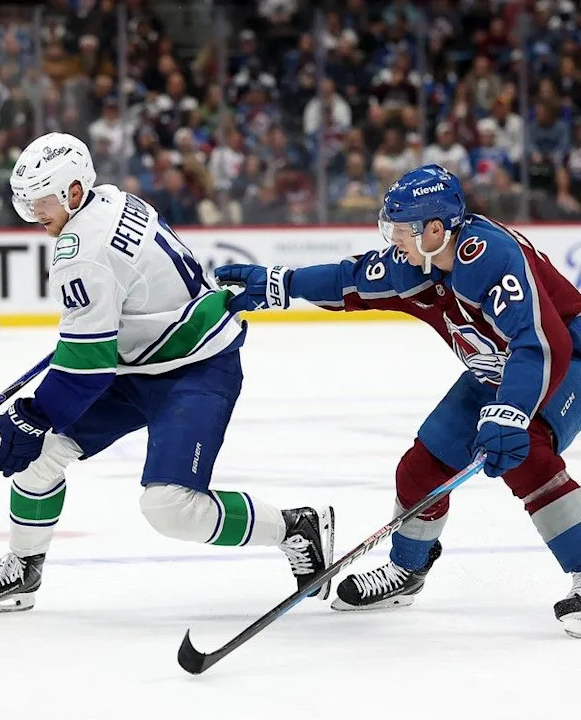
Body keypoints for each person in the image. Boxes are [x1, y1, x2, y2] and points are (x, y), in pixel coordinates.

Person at [0, 132, 335, 614]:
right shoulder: (112, 198)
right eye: (26, 204)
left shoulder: (81, 252)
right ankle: (25, 567)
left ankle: (294, 526)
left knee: (170, 508)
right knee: (41, 456)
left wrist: (35, 412)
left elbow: (86, 371)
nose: (34, 215)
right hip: (141, 362)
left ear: (74, 191)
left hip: (195, 368)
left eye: (42, 202)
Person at [215, 164, 581, 638]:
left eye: (401, 228)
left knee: (525, 453)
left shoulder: (489, 258)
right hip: (499, 368)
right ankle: (408, 571)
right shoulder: (415, 263)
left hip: (566, 359)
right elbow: (348, 279)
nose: (393, 239)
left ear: (435, 228)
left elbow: (540, 343)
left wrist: (510, 413)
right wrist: (282, 282)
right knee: (421, 469)